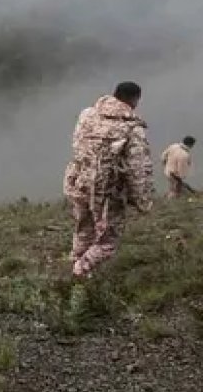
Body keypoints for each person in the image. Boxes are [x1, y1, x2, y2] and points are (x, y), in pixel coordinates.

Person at [63, 82, 154, 279]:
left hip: (78, 182)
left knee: (84, 228)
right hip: (107, 191)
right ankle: (80, 272)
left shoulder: (87, 114)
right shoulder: (132, 128)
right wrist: (142, 201)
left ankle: (77, 264)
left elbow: (77, 144)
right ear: (135, 99)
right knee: (107, 241)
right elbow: (137, 169)